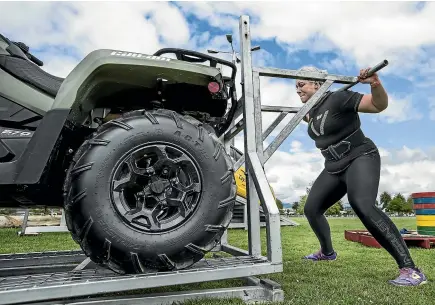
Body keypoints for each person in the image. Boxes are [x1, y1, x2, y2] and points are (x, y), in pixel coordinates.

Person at [297, 65, 427, 287]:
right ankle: (327, 253)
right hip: (333, 166)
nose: (297, 90)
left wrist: (375, 83)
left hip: (360, 156)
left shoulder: (339, 98)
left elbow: (378, 105)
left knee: (363, 205)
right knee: (311, 209)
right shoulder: (308, 112)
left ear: (317, 84)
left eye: (301, 84)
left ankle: (411, 270)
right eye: (296, 86)